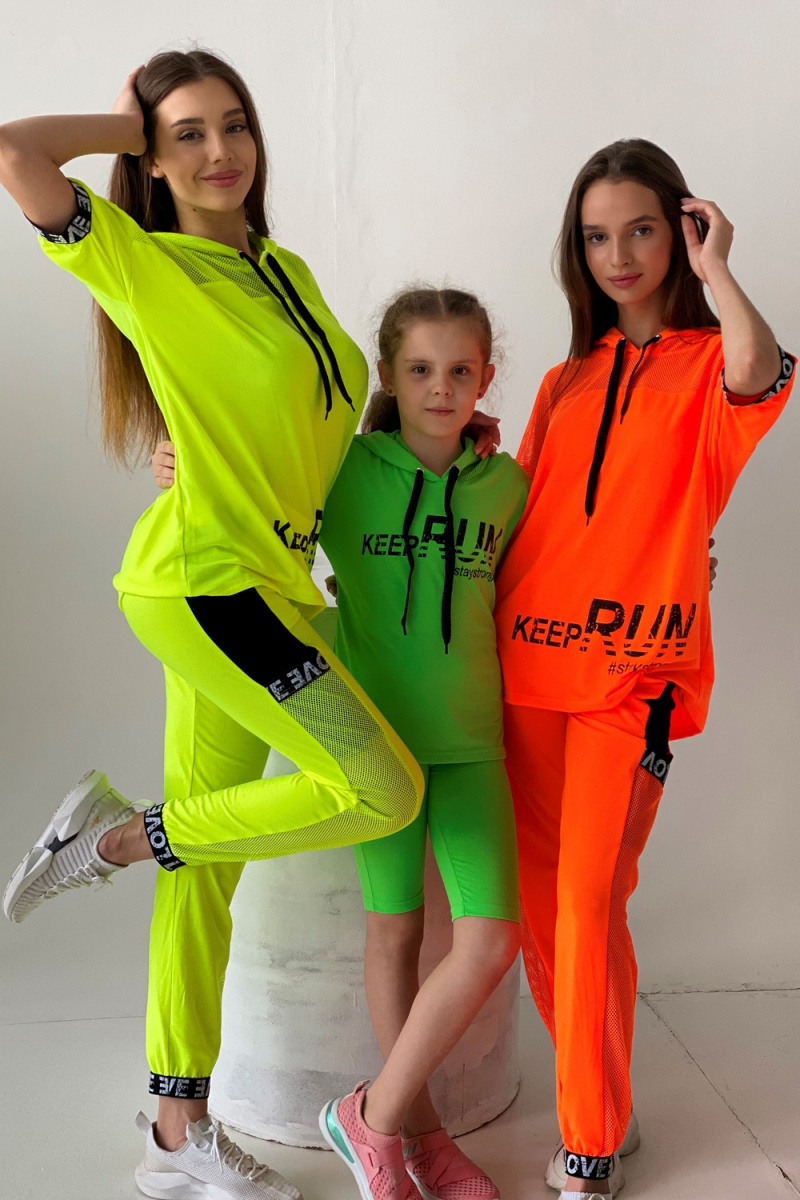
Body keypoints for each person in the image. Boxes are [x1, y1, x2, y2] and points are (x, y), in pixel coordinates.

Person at [0, 50, 425, 1200]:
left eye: (233, 124)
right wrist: (124, 126)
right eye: (186, 134)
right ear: (151, 155)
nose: (219, 150)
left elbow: (307, 426)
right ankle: (113, 841)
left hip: (271, 588)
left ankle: (173, 1128)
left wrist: (426, 429)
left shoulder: (281, 269)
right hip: (205, 588)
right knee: (382, 788)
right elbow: (13, 152)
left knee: (209, 858)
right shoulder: (147, 263)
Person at [153, 285, 528, 1200]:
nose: (441, 388)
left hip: (473, 745)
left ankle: (373, 1115)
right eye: (420, 369)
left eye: (460, 371)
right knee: (395, 933)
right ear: (389, 376)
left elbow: (558, 569)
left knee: (489, 940)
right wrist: (185, 461)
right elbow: (257, 482)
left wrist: (687, 562)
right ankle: (417, 1141)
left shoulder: (509, 486)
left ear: (485, 377)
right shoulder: (345, 470)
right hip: (377, 746)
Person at [492, 139, 794, 1198]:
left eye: (641, 230)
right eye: (595, 237)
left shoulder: (711, 367)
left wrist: (718, 271)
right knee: (542, 913)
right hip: (525, 672)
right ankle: (602, 1111)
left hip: (632, 680)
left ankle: (586, 1141)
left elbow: (761, 369)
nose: (617, 255)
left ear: (680, 231)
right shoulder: (562, 381)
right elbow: (519, 514)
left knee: (586, 901)